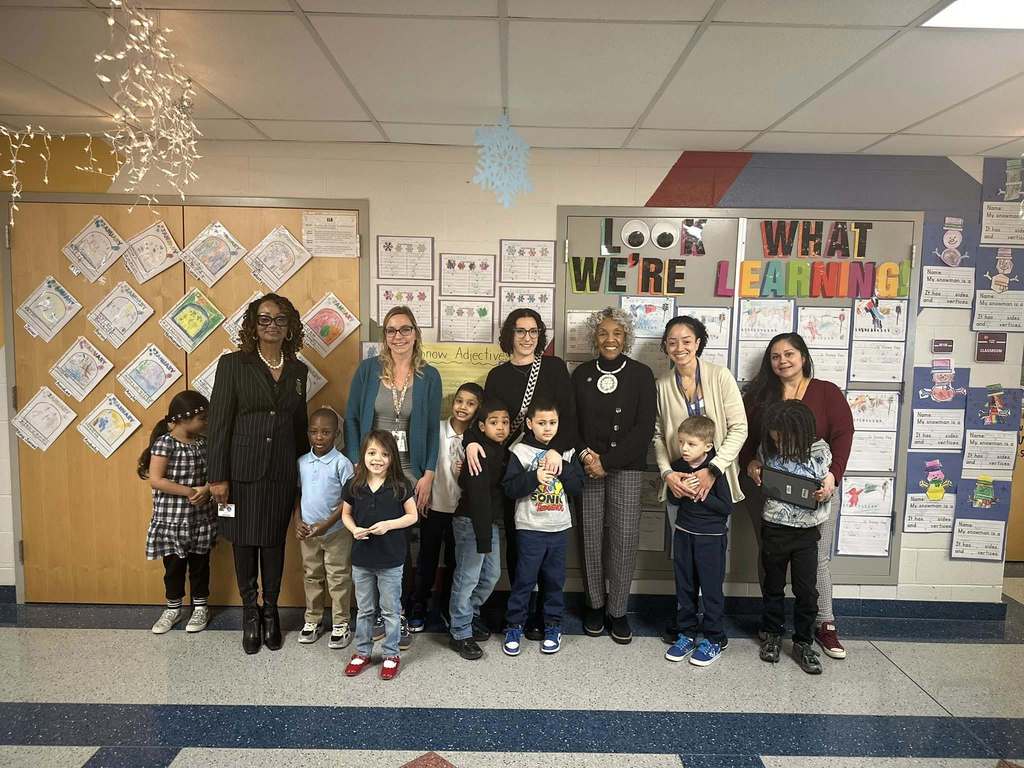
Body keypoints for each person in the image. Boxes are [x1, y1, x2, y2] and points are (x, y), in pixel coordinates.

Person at [740, 332, 854, 660]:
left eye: (789, 354)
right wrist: (750, 463)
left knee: (815, 558)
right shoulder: (760, 395)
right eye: (775, 356)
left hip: (818, 488)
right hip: (770, 490)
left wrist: (834, 475)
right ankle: (772, 627)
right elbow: (746, 435)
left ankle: (824, 624)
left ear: (803, 356)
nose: (783, 361)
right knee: (770, 556)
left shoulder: (826, 392)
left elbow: (843, 434)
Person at [465, 308, 577, 637]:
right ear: (509, 335)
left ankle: (548, 616)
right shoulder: (497, 376)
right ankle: (521, 615)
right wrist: (471, 442)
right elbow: (484, 421)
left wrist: (557, 450)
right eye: (520, 331)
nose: (527, 338)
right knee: (520, 544)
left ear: (540, 335)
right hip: (512, 468)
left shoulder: (554, 368)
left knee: (551, 549)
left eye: (533, 331)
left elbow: (570, 417)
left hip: (553, 466)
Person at [208, 293, 309, 655]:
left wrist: (305, 479)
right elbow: (218, 423)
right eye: (264, 319)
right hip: (241, 471)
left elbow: (300, 426)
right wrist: (217, 476)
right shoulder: (233, 364)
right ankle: (250, 613)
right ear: (253, 325)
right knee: (244, 541)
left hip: (282, 471)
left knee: (273, 542)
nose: (272, 326)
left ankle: (272, 612)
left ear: (290, 327)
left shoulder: (298, 370)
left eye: (280, 320)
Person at [345, 305, 442, 648]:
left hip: (411, 469)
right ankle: (371, 616)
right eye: (391, 330)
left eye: (405, 329)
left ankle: (398, 613)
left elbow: (432, 429)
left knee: (404, 542)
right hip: (374, 466)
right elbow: (353, 419)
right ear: (384, 337)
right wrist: (358, 461)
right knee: (374, 537)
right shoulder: (368, 370)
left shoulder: (429, 376)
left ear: (416, 333)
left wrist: (429, 473)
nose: (398, 336)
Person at [652, 315, 747, 641]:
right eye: (672, 341)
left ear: (699, 343)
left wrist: (714, 468)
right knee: (683, 563)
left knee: (709, 564)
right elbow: (657, 437)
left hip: (716, 478)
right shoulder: (663, 385)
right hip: (679, 482)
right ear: (666, 346)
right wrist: (668, 474)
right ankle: (686, 625)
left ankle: (712, 629)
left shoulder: (720, 376)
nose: (679, 347)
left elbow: (740, 427)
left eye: (686, 340)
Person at [572, 306, 656, 644]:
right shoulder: (580, 374)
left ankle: (617, 610)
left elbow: (644, 426)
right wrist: (587, 457)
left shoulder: (641, 374)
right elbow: (571, 422)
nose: (610, 339)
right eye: (604, 333)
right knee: (590, 536)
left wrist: (608, 461)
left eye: (617, 333)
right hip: (587, 464)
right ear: (595, 337)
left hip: (626, 466)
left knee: (624, 537)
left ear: (626, 338)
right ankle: (594, 604)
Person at [501, 398, 585, 656]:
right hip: (530, 527)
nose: (547, 428)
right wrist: (534, 476)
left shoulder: (566, 452)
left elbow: (577, 487)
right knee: (524, 580)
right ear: (529, 424)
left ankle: (553, 626)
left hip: (558, 528)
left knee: (554, 581)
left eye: (552, 423)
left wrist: (562, 466)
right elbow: (510, 488)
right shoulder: (519, 451)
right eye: (541, 423)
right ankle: (514, 625)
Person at [755, 400, 832, 676]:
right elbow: (759, 464)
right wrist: (754, 467)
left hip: (806, 533)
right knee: (773, 585)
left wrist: (825, 494)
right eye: (776, 438)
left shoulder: (820, 451)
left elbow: (827, 486)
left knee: (806, 591)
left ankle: (803, 642)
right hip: (774, 527)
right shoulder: (768, 448)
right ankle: (772, 634)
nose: (780, 444)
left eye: (785, 439)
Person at [341, 431, 419, 681]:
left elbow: (412, 516)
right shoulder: (354, 485)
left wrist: (389, 525)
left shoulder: (400, 484)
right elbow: (346, 515)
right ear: (363, 455)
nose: (377, 459)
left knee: (390, 610)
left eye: (384, 454)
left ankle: (391, 654)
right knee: (364, 610)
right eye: (372, 453)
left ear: (392, 457)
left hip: (391, 561)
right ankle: (362, 651)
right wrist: (354, 530)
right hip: (362, 559)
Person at [408, 382, 484, 632]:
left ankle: (447, 608)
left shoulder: (477, 438)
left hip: (462, 513)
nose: (463, 407)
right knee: (427, 559)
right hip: (433, 507)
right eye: (460, 401)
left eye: (471, 403)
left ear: (478, 409)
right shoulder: (437, 430)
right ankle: (418, 606)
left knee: (455, 563)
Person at [138, 390, 215, 635]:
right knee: (174, 567)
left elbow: (211, 476)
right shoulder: (164, 443)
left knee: (200, 565)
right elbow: (157, 480)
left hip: (200, 518)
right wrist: (190, 491)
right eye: (202, 418)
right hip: (172, 520)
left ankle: (200, 606)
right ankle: (173, 607)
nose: (206, 422)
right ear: (183, 418)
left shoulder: (203, 443)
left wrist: (206, 490)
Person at [664, 415, 733, 667]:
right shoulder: (677, 466)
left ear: (707, 445)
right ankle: (686, 635)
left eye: (691, 444)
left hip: (711, 540)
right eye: (681, 442)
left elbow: (726, 507)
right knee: (685, 588)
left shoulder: (716, 471)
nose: (684, 448)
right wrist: (681, 490)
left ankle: (714, 639)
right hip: (683, 535)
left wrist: (700, 495)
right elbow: (672, 501)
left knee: (711, 591)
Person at [449, 397, 510, 660]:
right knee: (467, 578)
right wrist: (483, 537)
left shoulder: (500, 450)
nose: (500, 427)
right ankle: (460, 631)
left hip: (489, 524)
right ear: (482, 427)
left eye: (505, 422)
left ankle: (469, 614)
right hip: (471, 522)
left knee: (491, 575)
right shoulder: (480, 452)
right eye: (494, 422)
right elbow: (478, 497)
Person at [294, 407, 355, 649]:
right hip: (308, 532)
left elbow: (348, 501)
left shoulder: (342, 463)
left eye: (326, 432)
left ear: (336, 434)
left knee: (338, 577)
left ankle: (341, 623)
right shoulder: (302, 462)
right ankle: (313, 620)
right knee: (312, 575)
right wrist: (298, 522)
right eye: (314, 432)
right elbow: (297, 495)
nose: (319, 437)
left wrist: (326, 524)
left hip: (336, 532)